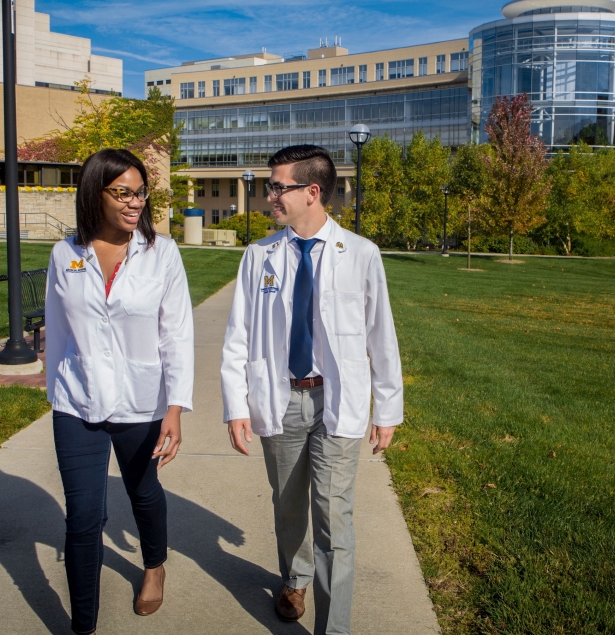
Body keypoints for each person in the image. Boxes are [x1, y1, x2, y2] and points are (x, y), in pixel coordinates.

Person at [220, 145, 404, 635]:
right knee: (287, 505)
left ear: (312, 192)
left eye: (278, 186)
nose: (269, 195)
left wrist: (387, 410)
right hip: (280, 398)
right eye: (270, 186)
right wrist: (236, 406)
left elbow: (380, 336)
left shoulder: (361, 254)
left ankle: (333, 629)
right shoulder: (260, 255)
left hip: (335, 401)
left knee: (333, 517)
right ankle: (294, 576)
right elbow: (238, 335)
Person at [45, 148, 193, 634]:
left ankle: (154, 566)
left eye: (140, 192)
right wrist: (56, 393)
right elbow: (59, 331)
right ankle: (83, 625)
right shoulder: (66, 254)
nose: (135, 203)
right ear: (96, 193)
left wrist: (175, 407)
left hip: (142, 400)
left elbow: (176, 333)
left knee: (142, 490)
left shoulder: (162, 252)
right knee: (83, 517)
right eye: (123, 192)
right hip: (77, 401)